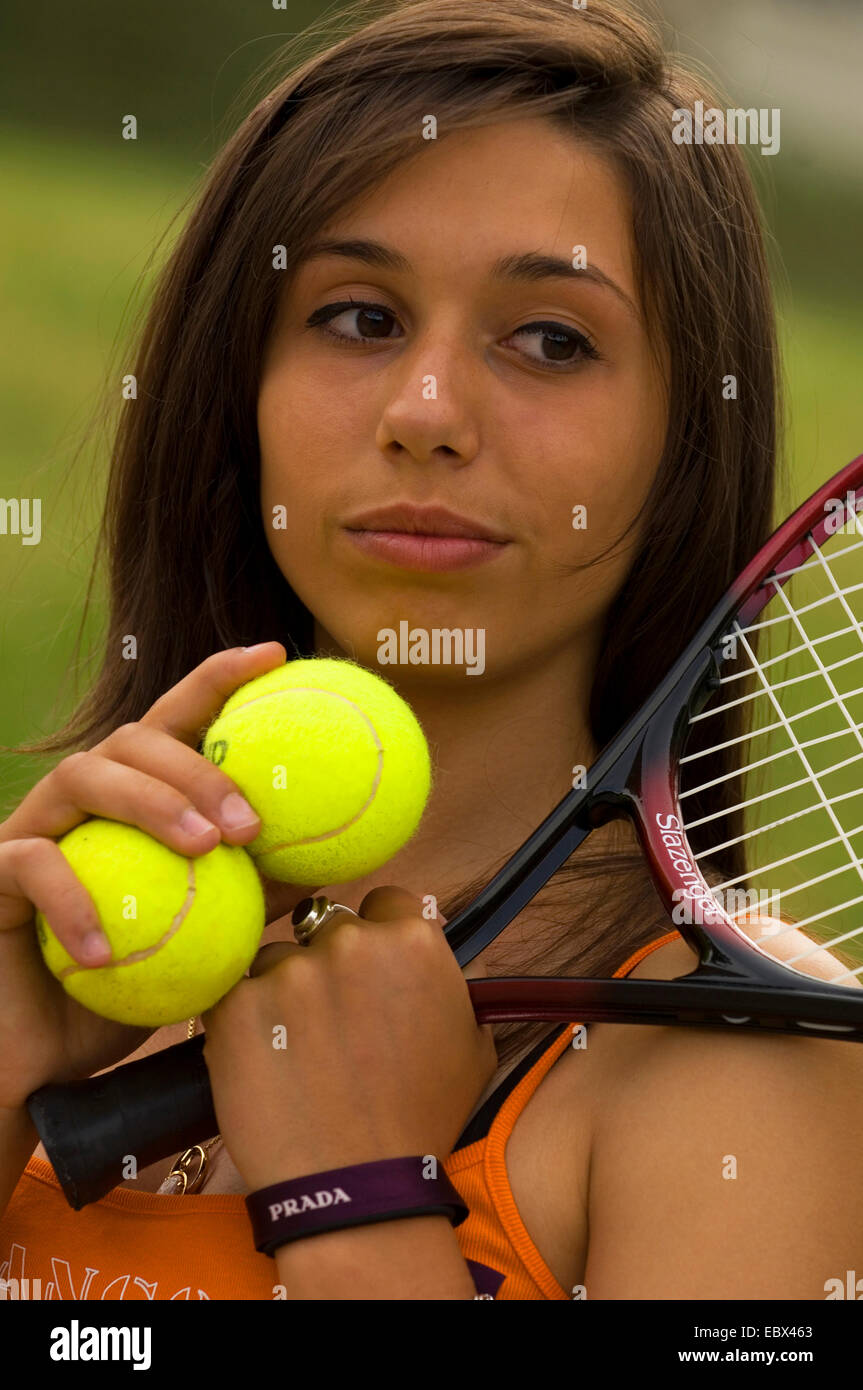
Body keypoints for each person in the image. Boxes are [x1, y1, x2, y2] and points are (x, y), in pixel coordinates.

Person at [1, 0, 861, 1301]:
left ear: (681, 448)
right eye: (358, 317)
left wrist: (356, 1206)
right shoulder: (69, 935)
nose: (427, 412)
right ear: (240, 390)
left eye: (553, 339)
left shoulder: (745, 1054)